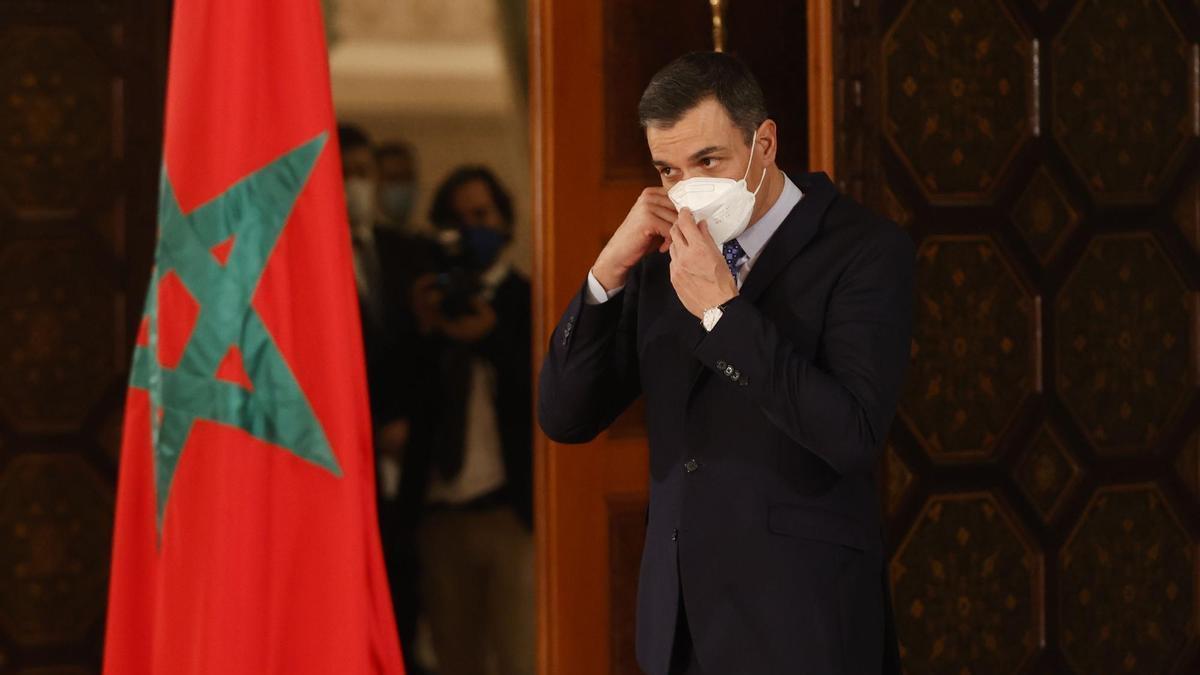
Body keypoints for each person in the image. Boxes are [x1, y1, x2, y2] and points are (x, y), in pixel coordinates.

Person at [537, 52, 914, 675]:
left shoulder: (864, 250)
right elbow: (565, 415)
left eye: (708, 161)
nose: (688, 187)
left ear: (763, 142)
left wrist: (723, 312)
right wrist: (607, 271)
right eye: (668, 169)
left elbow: (852, 435)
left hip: (802, 620)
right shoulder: (665, 258)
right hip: (679, 624)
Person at [405, 166, 534, 675]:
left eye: (481, 215)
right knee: (453, 659)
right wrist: (422, 328)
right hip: (440, 516)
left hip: (511, 515)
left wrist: (490, 339)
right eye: (458, 220)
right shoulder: (427, 303)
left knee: (521, 656)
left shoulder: (528, 298)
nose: (472, 228)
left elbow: (544, 394)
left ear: (504, 221)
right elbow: (405, 402)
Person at [337, 123, 434, 675]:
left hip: (411, 462)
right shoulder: (309, 259)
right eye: (344, 175)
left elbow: (427, 354)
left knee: (405, 603)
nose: (355, 185)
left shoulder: (405, 252)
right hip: (344, 458)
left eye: (362, 173)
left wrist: (406, 427)